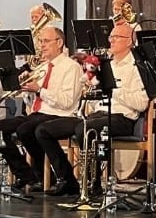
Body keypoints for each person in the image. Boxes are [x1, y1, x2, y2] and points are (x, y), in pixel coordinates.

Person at [38, 24, 149, 196]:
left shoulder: (137, 68)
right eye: (111, 37)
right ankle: (67, 179)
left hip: (122, 118)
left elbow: (141, 104)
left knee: (84, 128)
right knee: (43, 130)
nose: (111, 41)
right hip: (96, 114)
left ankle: (93, 181)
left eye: (117, 37)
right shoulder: (107, 65)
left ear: (129, 42)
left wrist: (111, 89)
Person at [0, 25, 83, 192]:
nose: (42, 45)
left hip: (60, 114)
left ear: (59, 43)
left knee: (26, 129)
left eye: (46, 41)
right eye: (41, 41)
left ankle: (63, 179)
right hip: (37, 113)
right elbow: (31, 102)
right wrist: (27, 89)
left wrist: (39, 90)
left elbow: (67, 102)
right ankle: (26, 174)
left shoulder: (71, 67)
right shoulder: (42, 67)